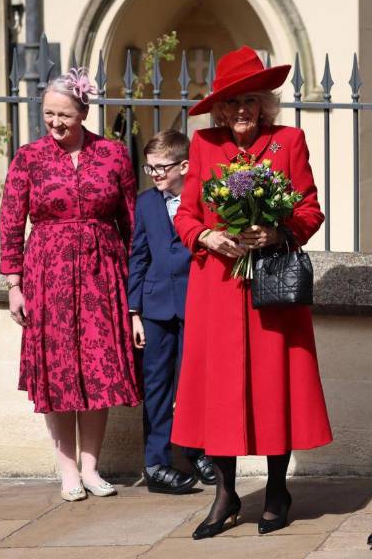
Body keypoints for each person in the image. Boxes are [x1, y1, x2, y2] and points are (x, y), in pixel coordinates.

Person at [172, 46, 332, 539]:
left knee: (273, 385)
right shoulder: (203, 145)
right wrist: (207, 236)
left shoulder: (289, 141)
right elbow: (185, 214)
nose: (242, 111)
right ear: (220, 107)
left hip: (271, 287)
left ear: (266, 104)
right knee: (218, 390)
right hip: (217, 287)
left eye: (252, 102)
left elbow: (309, 210)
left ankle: (278, 489)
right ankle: (225, 492)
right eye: (234, 103)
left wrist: (279, 233)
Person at [0, 68, 141, 501]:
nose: (55, 123)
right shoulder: (28, 157)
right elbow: (10, 221)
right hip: (48, 275)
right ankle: (67, 471)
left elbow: (131, 221)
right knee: (57, 373)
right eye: (48, 114)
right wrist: (14, 283)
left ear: (83, 112)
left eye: (64, 114)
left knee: (98, 371)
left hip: (103, 274)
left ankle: (93, 468)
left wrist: (135, 286)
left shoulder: (114, 155)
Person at [128, 130, 216, 494]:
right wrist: (134, 312)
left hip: (196, 303)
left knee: (195, 383)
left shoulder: (206, 199)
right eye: (150, 169)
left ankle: (197, 450)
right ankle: (157, 464)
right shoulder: (146, 203)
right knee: (159, 385)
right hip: (156, 308)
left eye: (161, 167)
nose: (156, 175)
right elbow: (138, 255)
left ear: (184, 165)